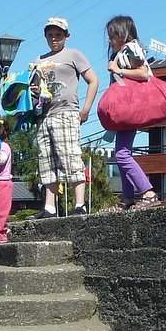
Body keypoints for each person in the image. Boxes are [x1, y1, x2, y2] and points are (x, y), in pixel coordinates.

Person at [29, 17, 99, 217]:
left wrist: (85, 110)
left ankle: (80, 204)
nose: (54, 39)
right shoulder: (38, 60)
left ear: (66, 36)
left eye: (58, 35)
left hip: (66, 112)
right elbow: (34, 90)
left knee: (70, 155)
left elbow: (93, 80)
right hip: (43, 114)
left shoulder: (73, 54)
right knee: (46, 159)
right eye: (50, 35)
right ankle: (49, 207)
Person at [105, 15, 162, 211]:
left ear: (122, 34)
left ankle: (148, 193)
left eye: (112, 35)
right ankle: (128, 197)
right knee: (121, 152)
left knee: (122, 155)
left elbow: (143, 73)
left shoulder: (130, 48)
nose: (110, 40)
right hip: (126, 108)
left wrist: (118, 70)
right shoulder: (122, 52)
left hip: (132, 107)